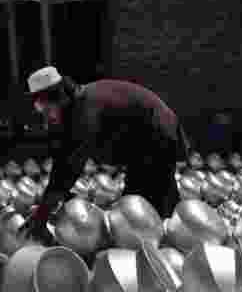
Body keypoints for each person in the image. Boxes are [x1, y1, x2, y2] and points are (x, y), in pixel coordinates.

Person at [19, 66, 189, 243]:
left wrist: (43, 213)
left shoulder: (84, 111)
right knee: (143, 203)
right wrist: (45, 209)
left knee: (141, 208)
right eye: (41, 112)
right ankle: (177, 235)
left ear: (58, 97)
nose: (47, 118)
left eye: (46, 110)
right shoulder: (76, 105)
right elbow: (63, 160)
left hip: (157, 136)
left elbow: (67, 168)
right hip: (143, 144)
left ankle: (176, 244)